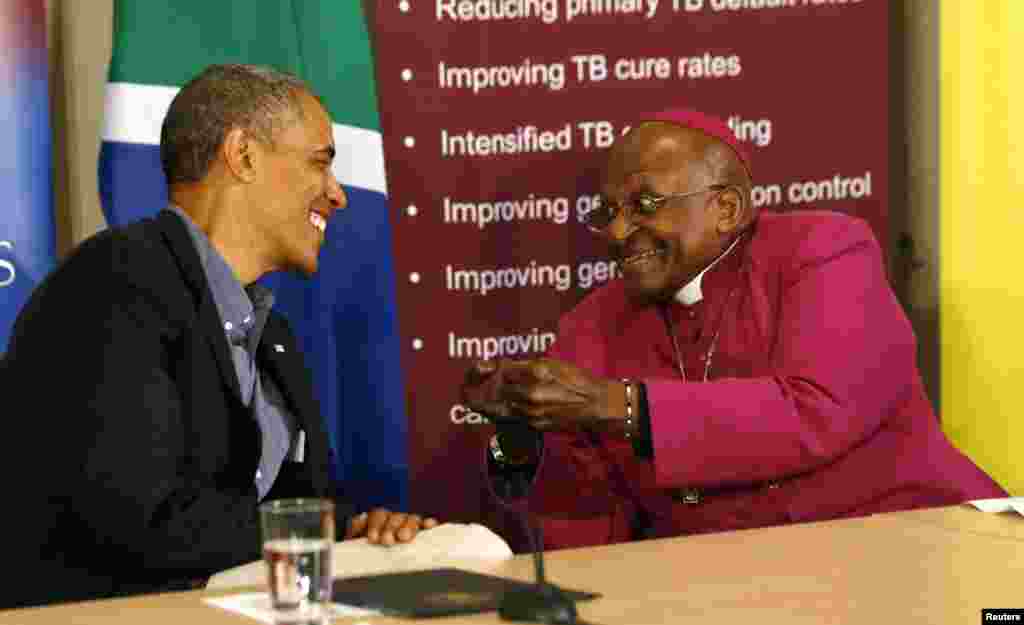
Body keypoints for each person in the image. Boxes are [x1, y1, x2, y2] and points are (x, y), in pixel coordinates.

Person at [462, 108, 1006, 550]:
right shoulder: (590, 326)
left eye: (643, 205)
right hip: (732, 590)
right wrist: (517, 437)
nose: (619, 231)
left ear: (726, 207)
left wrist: (621, 405)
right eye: (609, 212)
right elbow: (590, 524)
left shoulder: (822, 251)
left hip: (921, 543)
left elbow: (818, 412)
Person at [1, 64, 436, 609]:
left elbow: (298, 509)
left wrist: (360, 530)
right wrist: (328, 529)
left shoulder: (271, 337)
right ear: (244, 155)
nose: (337, 194)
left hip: (236, 611)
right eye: (320, 163)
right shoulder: (114, 286)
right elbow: (141, 525)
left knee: (449, 553)